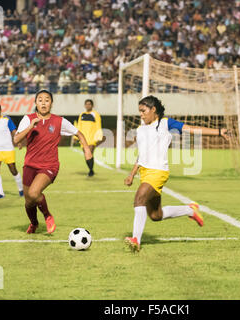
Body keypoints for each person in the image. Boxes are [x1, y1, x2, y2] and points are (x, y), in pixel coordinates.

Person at [123, 95, 230, 251]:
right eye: (139, 111)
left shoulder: (165, 123)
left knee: (139, 198)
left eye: (143, 111)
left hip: (158, 172)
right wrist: (132, 174)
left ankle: (135, 240)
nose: (141, 114)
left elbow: (192, 129)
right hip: (145, 174)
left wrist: (219, 132)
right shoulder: (140, 129)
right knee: (155, 215)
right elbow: (141, 154)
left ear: (154, 110)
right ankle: (190, 210)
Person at [14, 90, 93, 234]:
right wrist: (31, 126)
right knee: (28, 201)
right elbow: (16, 139)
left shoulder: (59, 121)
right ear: (36, 103)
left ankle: (48, 216)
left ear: (51, 103)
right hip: (30, 165)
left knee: (34, 192)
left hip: (49, 165)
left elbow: (78, 133)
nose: (43, 103)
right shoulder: (28, 119)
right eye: (40, 100)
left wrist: (87, 150)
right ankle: (34, 223)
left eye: (47, 100)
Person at [72, 99, 104, 177]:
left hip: (92, 138)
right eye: (86, 104)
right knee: (87, 155)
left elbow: (98, 125)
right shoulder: (82, 115)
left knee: (89, 152)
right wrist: (75, 137)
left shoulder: (95, 114)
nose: (88, 105)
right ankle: (91, 170)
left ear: (92, 105)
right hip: (83, 138)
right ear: (84, 105)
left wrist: (99, 136)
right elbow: (79, 126)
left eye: (89, 104)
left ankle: (90, 171)